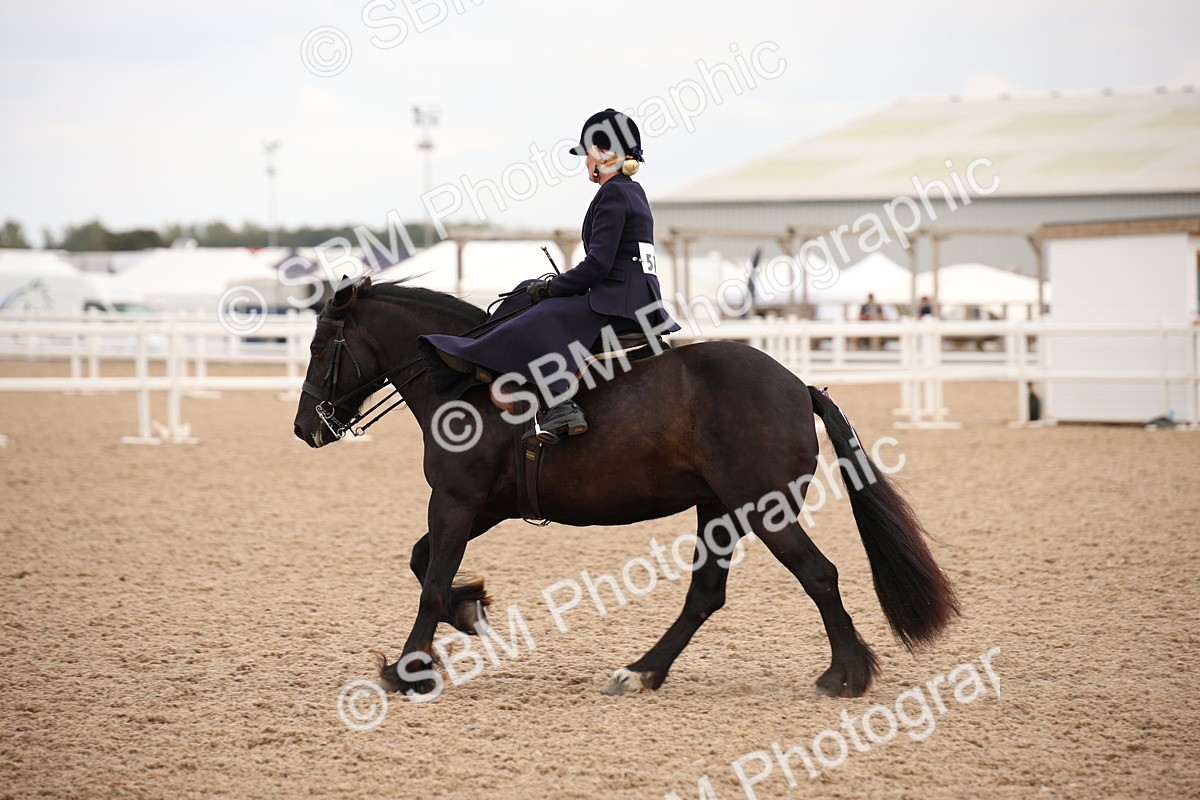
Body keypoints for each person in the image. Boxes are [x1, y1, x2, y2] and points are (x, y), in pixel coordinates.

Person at [418, 109, 680, 443]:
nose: (586, 162)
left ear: (603, 154)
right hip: (633, 295)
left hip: (619, 302)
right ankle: (488, 357)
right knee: (525, 291)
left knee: (546, 315)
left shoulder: (613, 193)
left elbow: (598, 265)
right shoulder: (633, 190)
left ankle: (561, 403)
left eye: (588, 155)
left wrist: (554, 288)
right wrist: (545, 288)